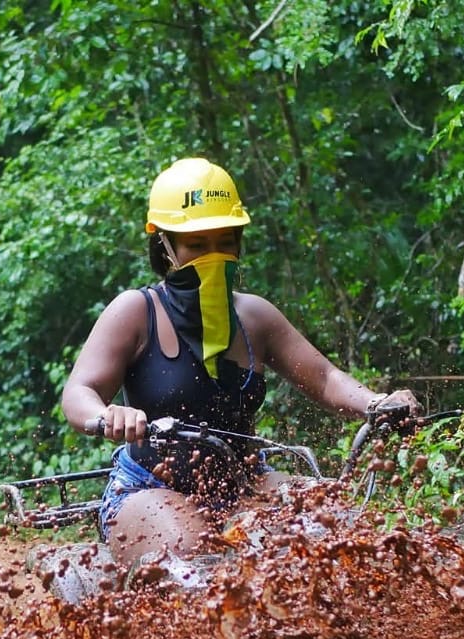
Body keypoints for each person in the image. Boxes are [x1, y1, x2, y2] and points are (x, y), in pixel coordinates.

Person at [60, 157, 419, 571]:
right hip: (149, 487)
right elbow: (78, 393)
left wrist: (377, 403)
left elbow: (324, 378)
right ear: (165, 244)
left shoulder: (255, 317)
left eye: (224, 242)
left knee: (337, 529)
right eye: (196, 245)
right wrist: (108, 416)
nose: (212, 256)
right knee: (196, 564)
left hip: (245, 480)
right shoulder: (136, 311)